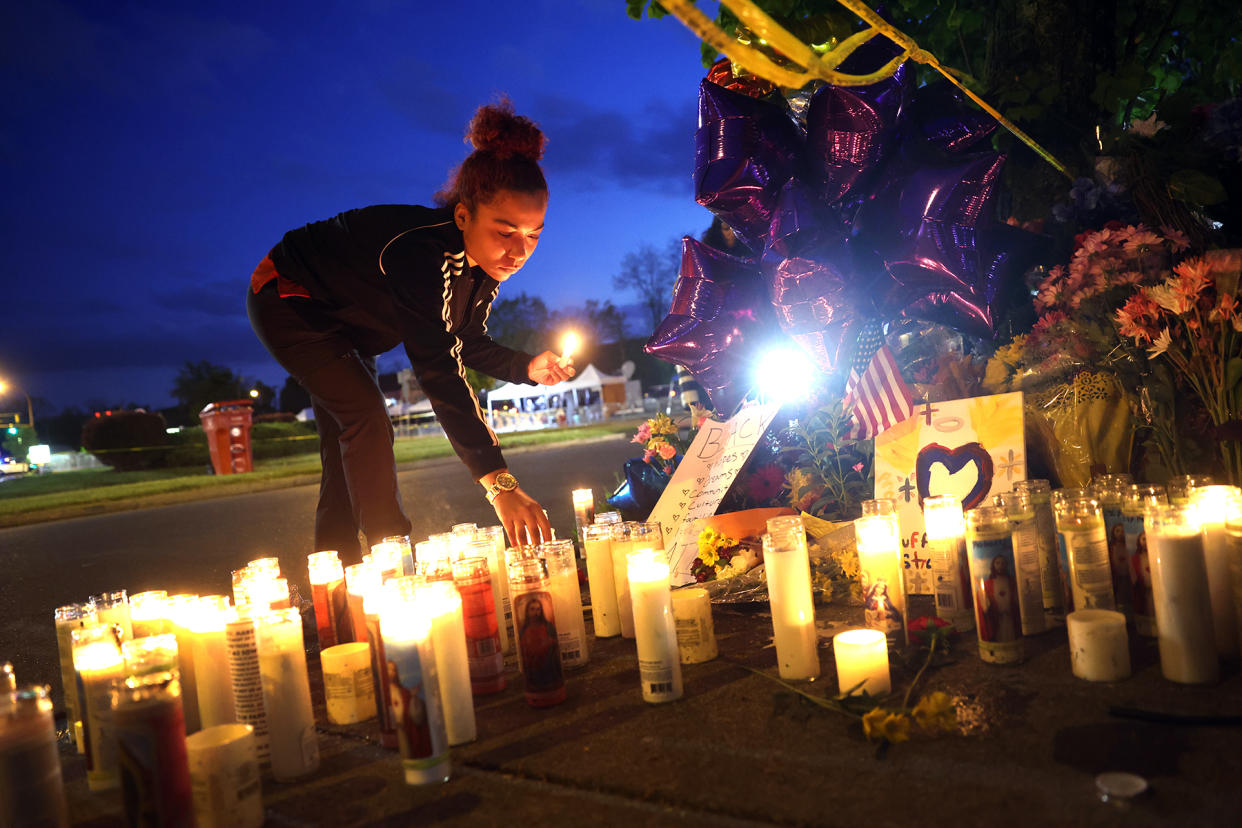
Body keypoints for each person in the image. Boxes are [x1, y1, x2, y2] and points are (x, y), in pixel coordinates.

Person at [247, 99, 571, 559]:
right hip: (289, 296)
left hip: (349, 328)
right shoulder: (421, 253)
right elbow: (437, 365)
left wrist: (527, 367)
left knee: (347, 449)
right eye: (505, 231)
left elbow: (465, 341)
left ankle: (336, 577)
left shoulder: (479, 272)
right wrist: (499, 484)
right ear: (463, 217)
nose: (520, 250)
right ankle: (392, 557)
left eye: (533, 234)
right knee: (366, 417)